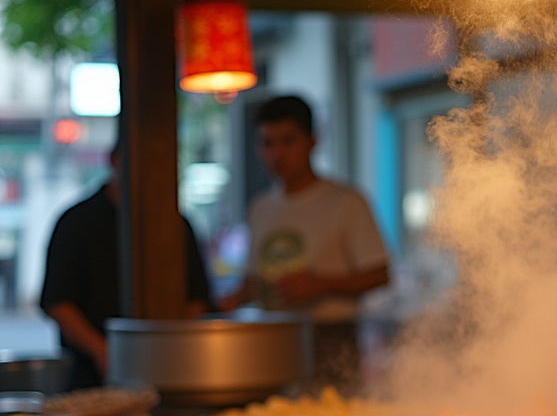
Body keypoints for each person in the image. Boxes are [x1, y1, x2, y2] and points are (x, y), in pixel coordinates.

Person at [222, 95, 388, 391]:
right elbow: (254, 281)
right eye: (267, 143)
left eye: (288, 141)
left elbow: (380, 274)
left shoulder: (345, 201)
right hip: (272, 339)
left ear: (312, 141)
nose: (277, 154)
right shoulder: (261, 207)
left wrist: (319, 284)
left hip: (332, 337)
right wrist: (228, 301)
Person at [40, 146, 211, 390]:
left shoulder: (176, 224)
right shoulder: (76, 222)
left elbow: (197, 299)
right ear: (113, 160)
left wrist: (174, 349)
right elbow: (57, 303)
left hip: (167, 375)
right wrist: (103, 351)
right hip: (91, 379)